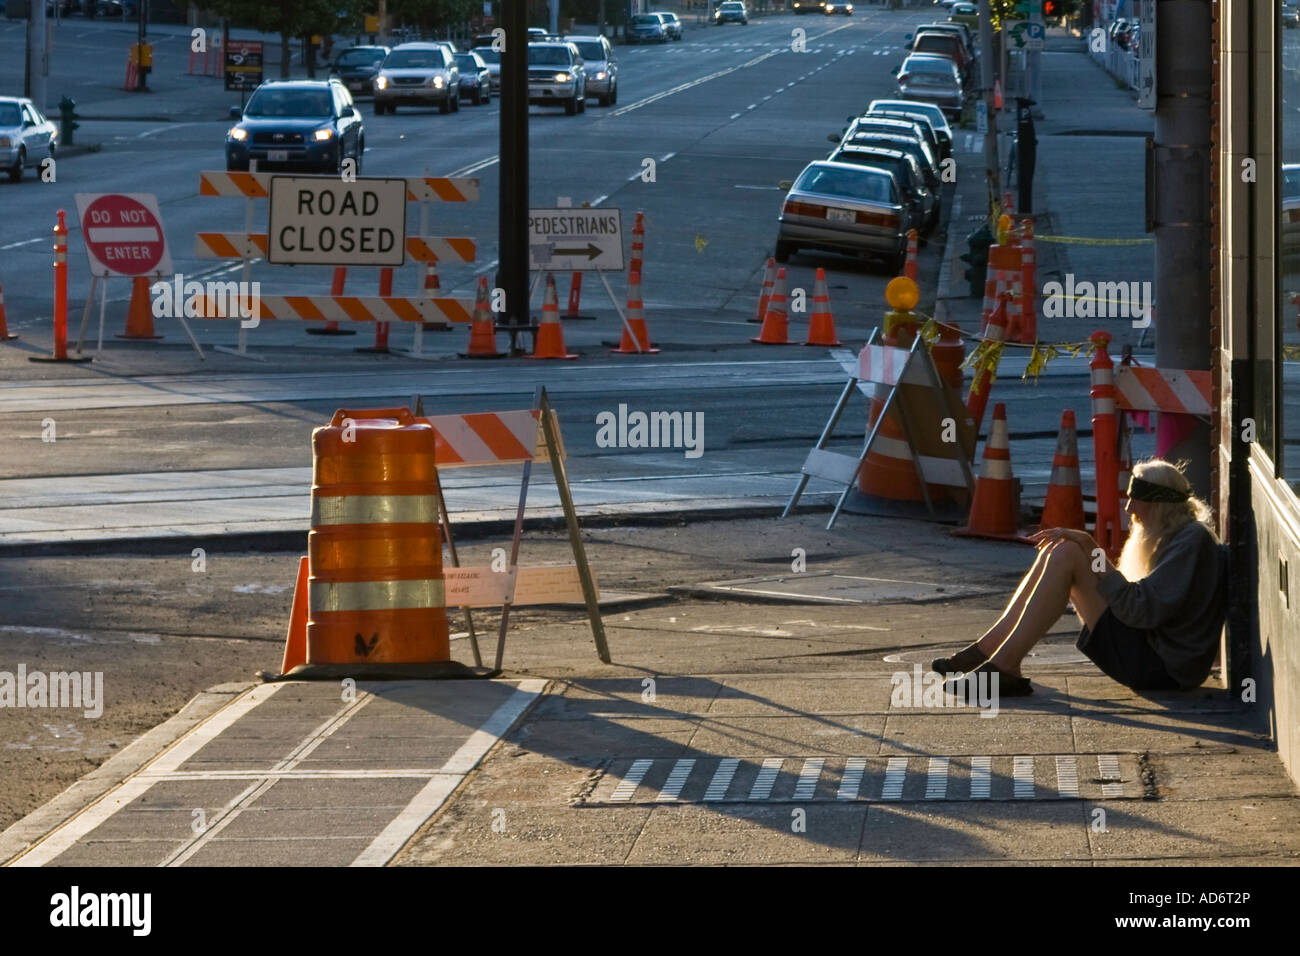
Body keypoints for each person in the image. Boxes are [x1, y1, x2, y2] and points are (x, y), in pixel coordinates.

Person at [931, 458, 1227, 696]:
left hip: (1160, 668)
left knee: (1070, 553)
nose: (1129, 509)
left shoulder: (1190, 542)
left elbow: (1140, 609)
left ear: (1159, 505)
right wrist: (1089, 550)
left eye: (1136, 501)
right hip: (1150, 655)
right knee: (1062, 549)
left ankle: (1004, 665)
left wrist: (1090, 547)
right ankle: (990, 650)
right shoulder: (1176, 535)